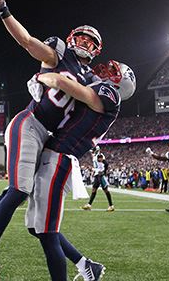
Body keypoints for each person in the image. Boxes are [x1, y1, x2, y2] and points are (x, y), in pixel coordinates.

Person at [0, 0, 103, 281]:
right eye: (81, 37)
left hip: (50, 139)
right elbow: (26, 40)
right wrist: (4, 12)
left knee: (26, 205)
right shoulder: (59, 55)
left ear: (97, 49)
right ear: (72, 39)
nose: (84, 43)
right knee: (20, 191)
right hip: (30, 123)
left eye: (90, 40)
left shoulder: (94, 82)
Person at [24, 61, 134, 280]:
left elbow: (63, 83)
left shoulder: (109, 92)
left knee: (47, 231)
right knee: (35, 228)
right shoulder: (101, 91)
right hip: (56, 156)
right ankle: (86, 265)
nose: (105, 71)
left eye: (113, 72)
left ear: (119, 83)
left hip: (60, 158)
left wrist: (40, 77)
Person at [81, 147, 114, 211]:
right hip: (97, 175)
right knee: (94, 190)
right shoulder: (95, 156)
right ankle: (89, 205)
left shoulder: (100, 155)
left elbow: (106, 164)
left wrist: (103, 172)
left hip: (100, 175)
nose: (92, 152)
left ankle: (111, 206)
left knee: (106, 190)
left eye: (93, 150)